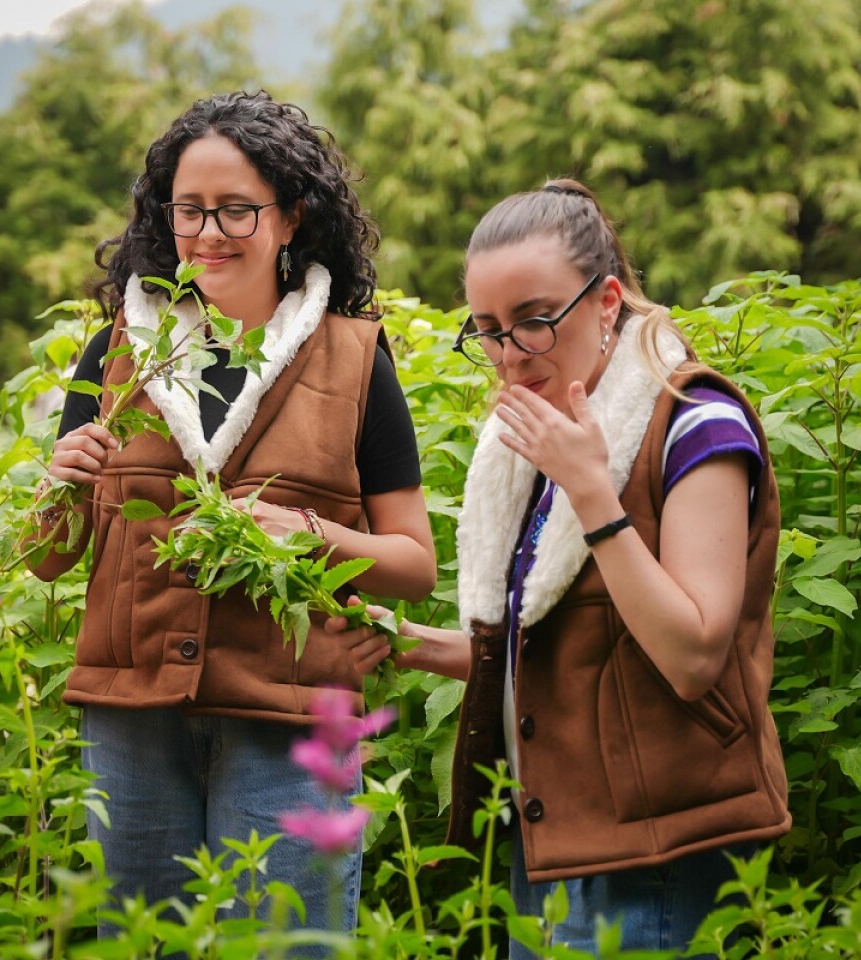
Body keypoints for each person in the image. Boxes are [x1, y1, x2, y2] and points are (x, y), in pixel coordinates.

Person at [329, 179, 790, 957]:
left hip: (658, 846)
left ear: (607, 300)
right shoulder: (561, 436)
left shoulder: (696, 424)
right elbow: (565, 649)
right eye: (488, 330)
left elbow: (692, 656)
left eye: (536, 320)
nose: (511, 355)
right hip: (557, 831)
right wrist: (405, 639)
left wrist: (588, 490)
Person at [26, 91, 437, 939]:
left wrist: (313, 535)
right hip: (131, 712)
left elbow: (415, 565)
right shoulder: (116, 351)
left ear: (291, 218)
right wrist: (60, 484)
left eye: (237, 211)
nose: (209, 233)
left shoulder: (357, 359)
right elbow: (48, 557)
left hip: (289, 718)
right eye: (188, 210)